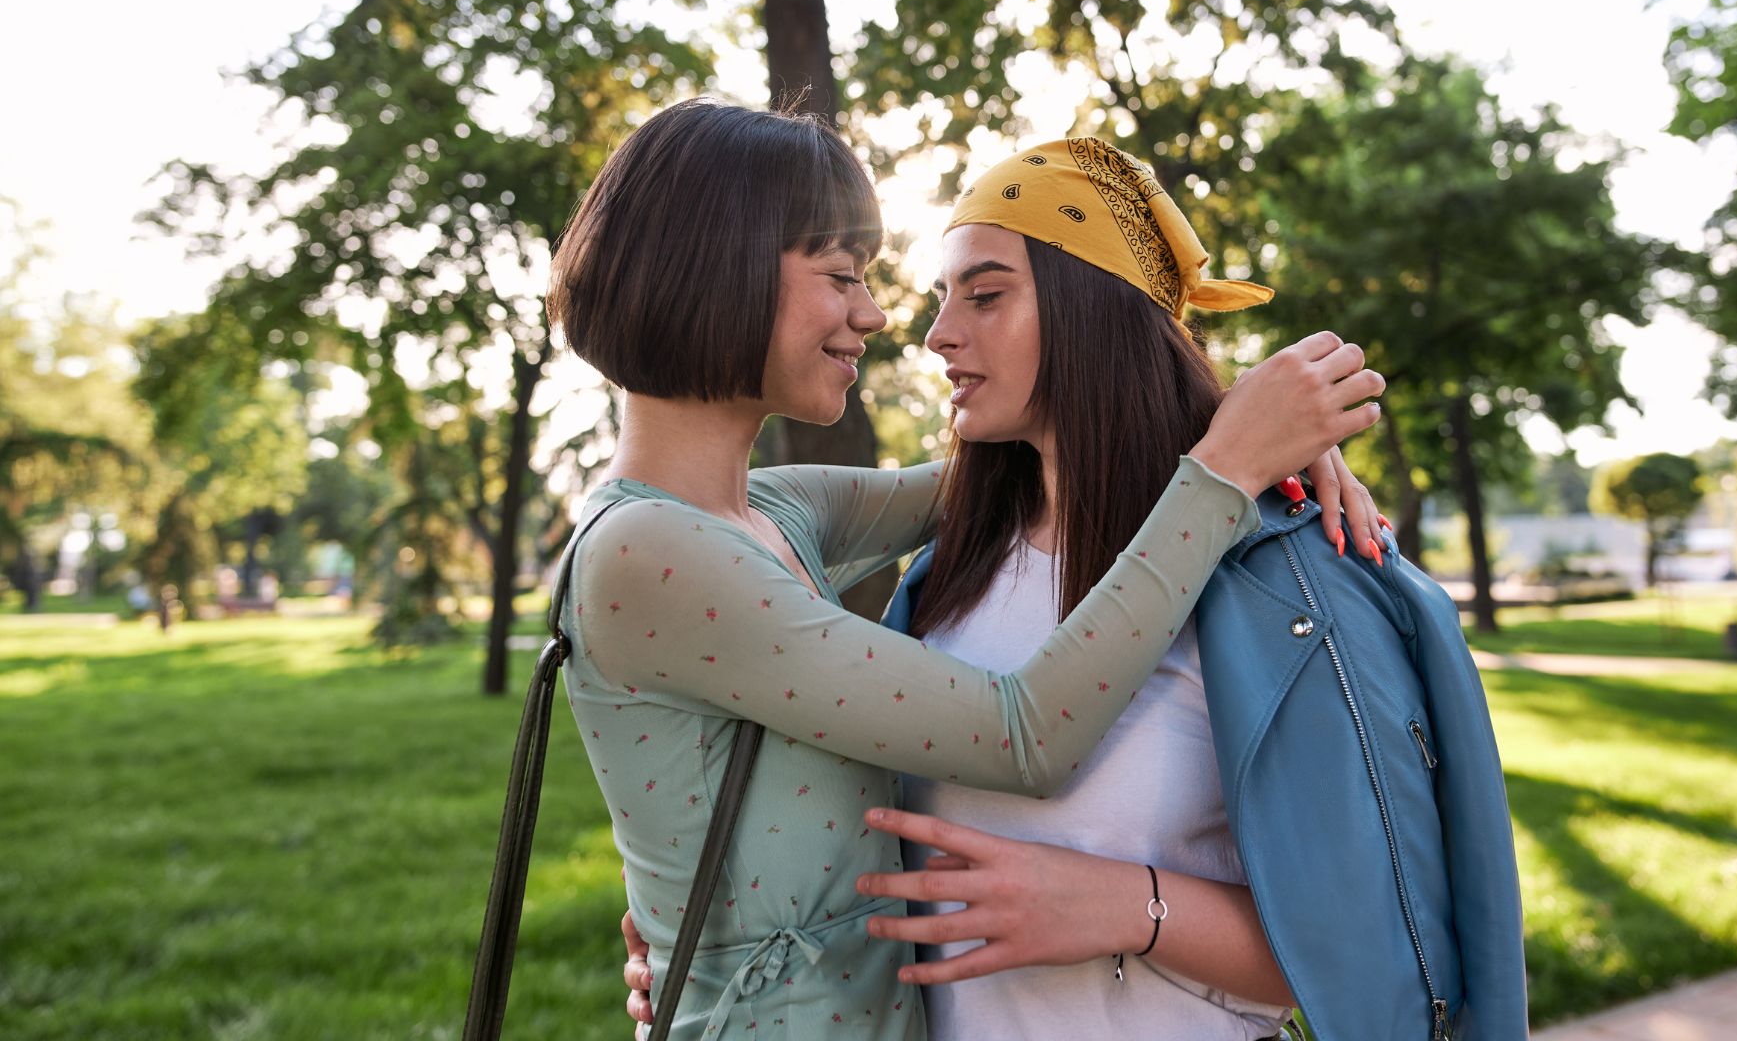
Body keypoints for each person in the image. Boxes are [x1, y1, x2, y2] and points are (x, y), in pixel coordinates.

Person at [546, 99, 1383, 1039]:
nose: (877, 315)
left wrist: (1265, 429)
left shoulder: (769, 510)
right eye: (838, 276)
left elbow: (1057, 450)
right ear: (718, 270)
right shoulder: (647, 554)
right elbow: (1021, 734)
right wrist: (1227, 463)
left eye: (981, 297)